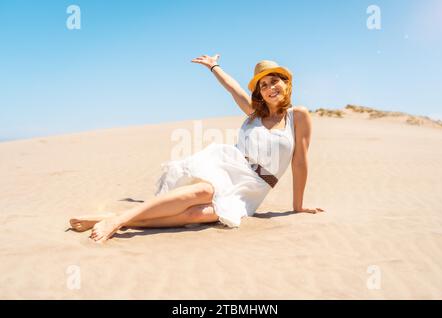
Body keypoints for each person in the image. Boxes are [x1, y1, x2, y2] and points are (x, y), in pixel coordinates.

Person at [69, 54, 325, 243]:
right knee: (203, 190)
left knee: (202, 215)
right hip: (231, 165)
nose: (270, 88)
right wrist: (214, 66)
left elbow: (299, 161)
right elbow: (233, 88)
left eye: (274, 81)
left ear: (286, 83)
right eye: (263, 85)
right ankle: (118, 221)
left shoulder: (298, 116)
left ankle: (120, 218)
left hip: (255, 187)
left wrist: (298, 206)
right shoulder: (254, 113)